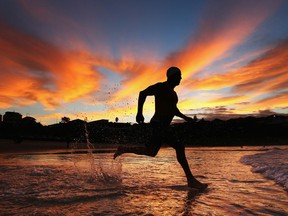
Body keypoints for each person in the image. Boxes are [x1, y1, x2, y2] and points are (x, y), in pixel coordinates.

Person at [114, 66, 207, 190]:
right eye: (179, 76)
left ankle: (124, 149)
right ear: (172, 76)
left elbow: (174, 110)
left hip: (163, 126)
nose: (180, 78)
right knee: (179, 146)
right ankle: (191, 180)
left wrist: (186, 118)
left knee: (151, 151)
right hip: (158, 124)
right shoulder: (161, 87)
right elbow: (143, 93)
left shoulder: (174, 94)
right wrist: (139, 113)